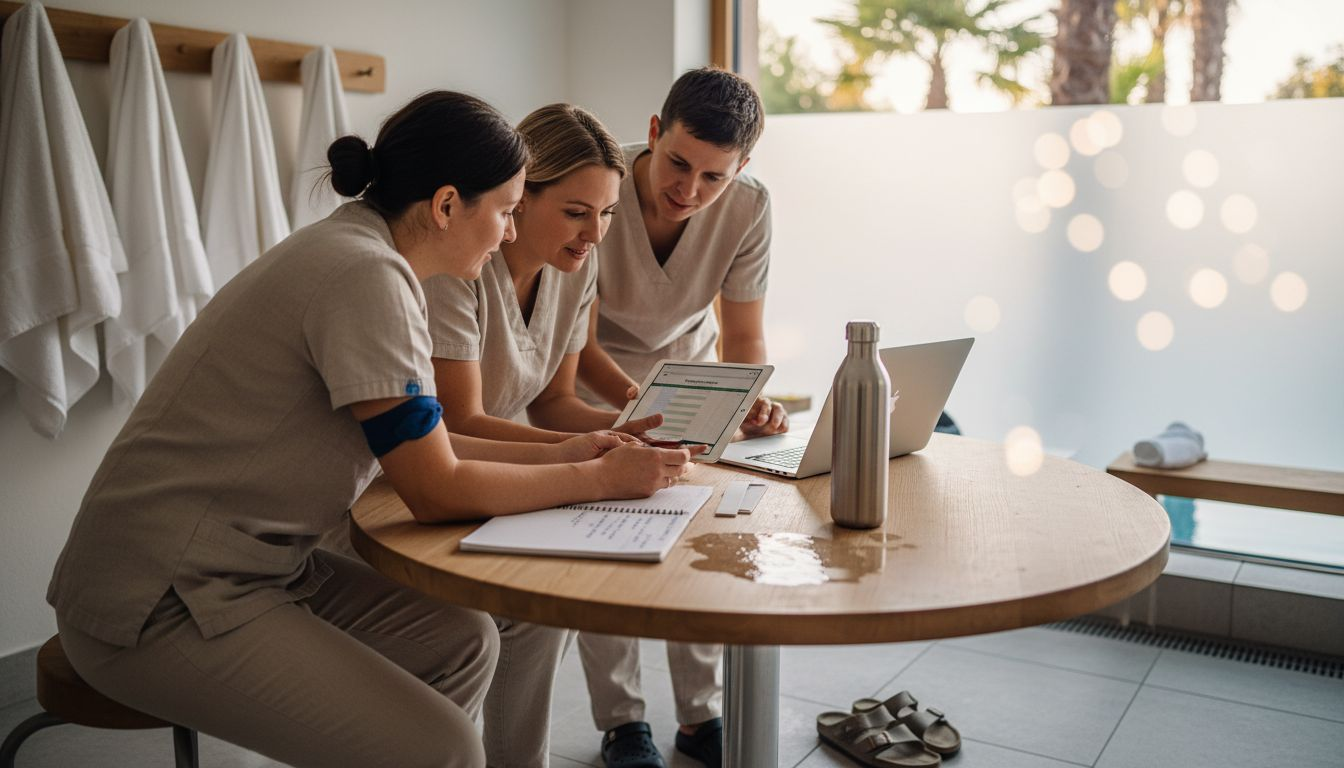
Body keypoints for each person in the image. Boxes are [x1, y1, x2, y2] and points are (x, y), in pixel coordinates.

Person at [44, 91, 695, 768]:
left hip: (259, 567)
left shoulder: (369, 253)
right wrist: (593, 477)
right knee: (443, 749)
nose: (508, 231)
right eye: (505, 210)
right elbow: (434, 488)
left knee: (464, 641)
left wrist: (568, 448)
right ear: (446, 206)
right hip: (159, 596)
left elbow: (430, 442)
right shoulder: (366, 277)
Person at [423, 102, 664, 767]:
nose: (595, 233)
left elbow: (556, 402)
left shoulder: (575, 269)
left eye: (609, 213)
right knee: (514, 617)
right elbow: (459, 421)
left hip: (500, 476)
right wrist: (587, 455)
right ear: (521, 196)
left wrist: (630, 431)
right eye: (577, 211)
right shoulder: (459, 270)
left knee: (546, 607)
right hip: (436, 472)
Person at [566, 67, 787, 768]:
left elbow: (743, 335)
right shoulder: (596, 194)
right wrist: (640, 410)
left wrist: (745, 397)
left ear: (742, 168)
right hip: (591, 375)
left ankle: (701, 715)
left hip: (691, 377)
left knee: (704, 534)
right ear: (654, 134)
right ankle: (622, 722)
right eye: (678, 164)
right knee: (607, 545)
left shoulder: (750, 206)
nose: (688, 191)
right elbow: (572, 339)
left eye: (714, 178)